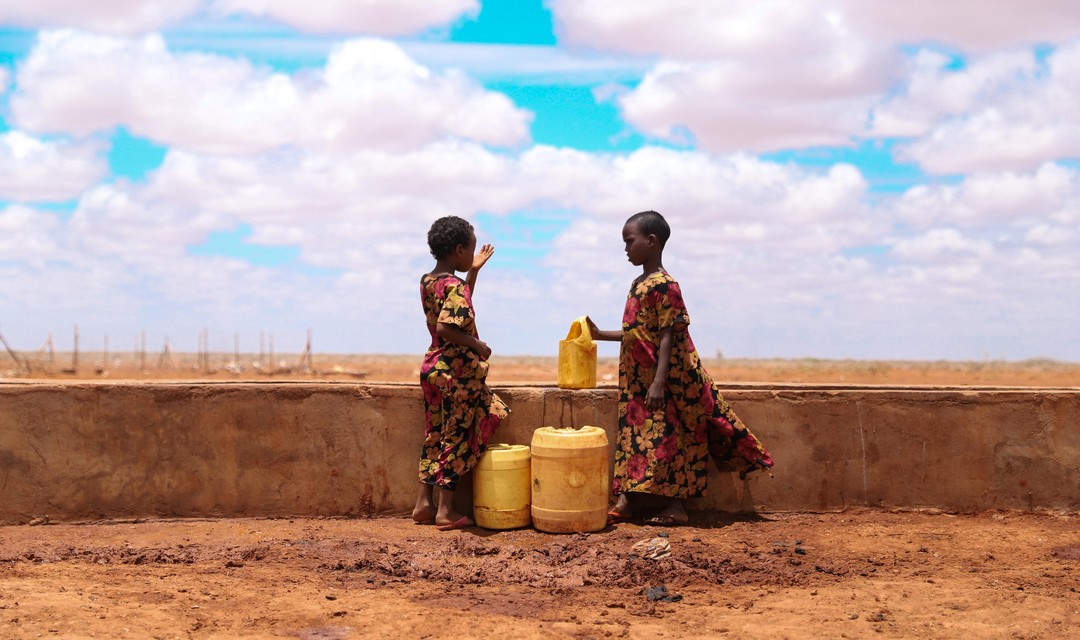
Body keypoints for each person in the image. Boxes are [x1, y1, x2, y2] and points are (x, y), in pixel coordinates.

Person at [587, 210, 773, 526]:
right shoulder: (638, 283)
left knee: (665, 440)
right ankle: (627, 500)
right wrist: (598, 334)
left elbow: (669, 334)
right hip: (635, 381)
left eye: (629, 242)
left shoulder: (666, 285)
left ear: (652, 241)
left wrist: (659, 382)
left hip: (664, 380)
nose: (626, 249)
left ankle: (674, 506)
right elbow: (638, 331)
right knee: (634, 439)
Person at [412, 215, 509, 531]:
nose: (472, 254)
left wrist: (474, 272)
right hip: (456, 372)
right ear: (457, 250)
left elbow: (456, 306)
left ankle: (423, 504)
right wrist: (477, 344)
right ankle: (446, 511)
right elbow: (447, 325)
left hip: (432, 368)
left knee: (434, 433)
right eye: (470, 249)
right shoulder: (453, 285)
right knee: (457, 436)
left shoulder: (429, 281)